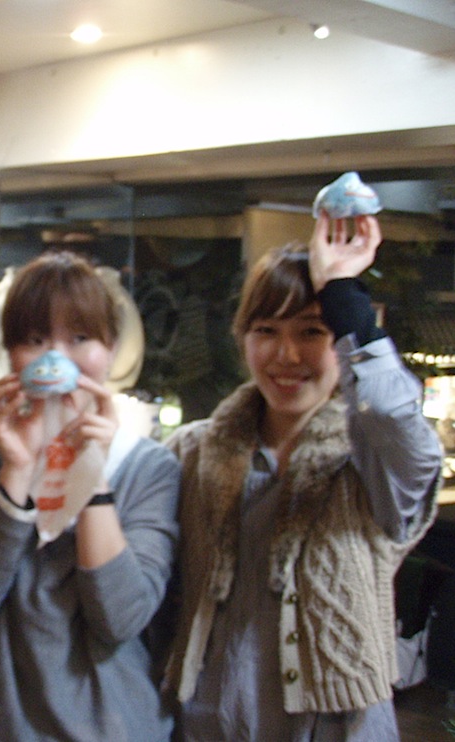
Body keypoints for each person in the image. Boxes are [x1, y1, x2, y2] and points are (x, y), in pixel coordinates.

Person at [162, 213, 440, 740]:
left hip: (339, 727)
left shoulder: (370, 461)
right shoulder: (192, 452)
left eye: (312, 331)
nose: (286, 355)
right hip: (207, 724)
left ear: (342, 341)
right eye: (265, 331)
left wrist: (343, 292)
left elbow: (395, 421)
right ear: (242, 338)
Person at [0, 250, 180, 741]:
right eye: (34, 340)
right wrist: (17, 468)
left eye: (80, 338)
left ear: (111, 348)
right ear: (11, 354)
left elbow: (120, 619)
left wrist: (92, 474)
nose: (56, 357)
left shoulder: (148, 467)